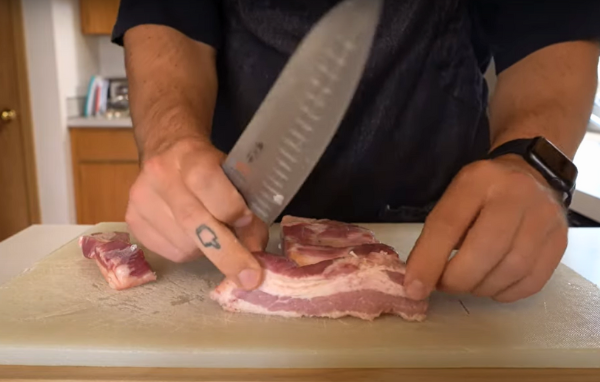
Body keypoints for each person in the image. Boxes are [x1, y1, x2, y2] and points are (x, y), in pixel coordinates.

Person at [111, 1, 600, 304]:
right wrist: (172, 141)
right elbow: (167, 16)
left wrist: (532, 164)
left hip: (443, 225)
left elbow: (549, 27)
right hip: (235, 211)